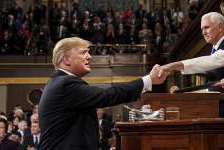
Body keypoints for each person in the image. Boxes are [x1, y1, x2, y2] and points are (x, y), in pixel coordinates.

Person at [38, 37, 167, 150]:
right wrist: (149, 79)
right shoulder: (65, 84)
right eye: (84, 52)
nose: (89, 56)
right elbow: (107, 95)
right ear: (66, 59)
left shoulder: (59, 82)